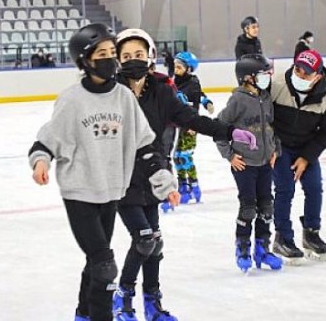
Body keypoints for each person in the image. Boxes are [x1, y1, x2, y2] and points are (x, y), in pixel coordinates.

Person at [28, 23, 177, 321]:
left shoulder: (123, 97)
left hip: (112, 192)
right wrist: (41, 161)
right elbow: (48, 138)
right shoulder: (73, 99)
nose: (111, 59)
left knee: (95, 261)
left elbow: (147, 148)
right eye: (102, 54)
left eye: (113, 53)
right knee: (105, 265)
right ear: (85, 60)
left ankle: (83, 314)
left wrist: (164, 184)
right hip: (80, 193)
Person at [112, 28, 256, 320]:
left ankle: (153, 304)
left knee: (154, 242)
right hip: (121, 178)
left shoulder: (162, 92)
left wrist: (229, 131)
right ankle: (122, 296)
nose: (133, 60)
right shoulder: (110, 93)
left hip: (154, 175)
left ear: (150, 56)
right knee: (144, 238)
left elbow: (191, 119)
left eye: (138, 54)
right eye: (126, 56)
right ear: (117, 60)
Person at [270, 49, 326, 263]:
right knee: (285, 187)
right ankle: (282, 237)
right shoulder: (277, 85)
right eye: (298, 69)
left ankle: (311, 232)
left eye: (306, 73)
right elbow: (262, 117)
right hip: (279, 146)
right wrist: (270, 145)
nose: (299, 75)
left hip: (305, 148)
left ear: (317, 76)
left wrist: (307, 157)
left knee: (313, 187)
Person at [216, 54, 283, 273]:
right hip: (244, 164)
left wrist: (275, 150)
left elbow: (272, 127)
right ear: (248, 78)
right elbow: (219, 128)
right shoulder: (238, 100)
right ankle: (243, 247)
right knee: (248, 207)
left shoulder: (265, 97)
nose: (267, 79)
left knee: (266, 206)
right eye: (263, 74)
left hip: (265, 161)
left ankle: (262, 248)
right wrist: (229, 155)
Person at [172, 51, 208, 204]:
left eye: (179, 67)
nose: (176, 69)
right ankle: (183, 185)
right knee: (177, 156)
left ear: (188, 69)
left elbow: (195, 103)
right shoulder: (175, 82)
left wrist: (193, 124)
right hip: (178, 124)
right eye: (175, 66)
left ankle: (194, 184)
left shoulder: (192, 84)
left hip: (190, 125)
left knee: (185, 156)